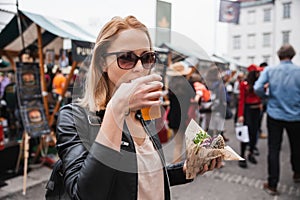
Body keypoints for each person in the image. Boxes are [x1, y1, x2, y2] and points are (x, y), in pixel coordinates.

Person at [52, 16, 222, 199]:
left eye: (147, 57)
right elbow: (84, 194)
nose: (140, 68)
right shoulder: (74, 117)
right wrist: (116, 109)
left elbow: (140, 175)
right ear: (102, 63)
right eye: (126, 58)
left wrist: (185, 169)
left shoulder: (143, 113)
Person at [254, 44, 300, 196]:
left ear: (279, 56)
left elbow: (257, 87)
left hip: (274, 114)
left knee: (274, 149)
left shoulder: (270, 70)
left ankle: (273, 184)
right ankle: (297, 173)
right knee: (297, 146)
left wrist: (266, 98)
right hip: (295, 115)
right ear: (292, 55)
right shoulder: (298, 71)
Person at [167, 61, 195, 163]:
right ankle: (188, 164)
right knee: (189, 142)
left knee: (177, 144)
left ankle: (176, 163)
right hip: (185, 116)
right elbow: (194, 97)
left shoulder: (171, 84)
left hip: (174, 116)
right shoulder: (188, 85)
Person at [237, 64, 262, 168]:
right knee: (245, 133)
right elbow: (241, 100)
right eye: (257, 72)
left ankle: (251, 152)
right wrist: (240, 114)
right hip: (248, 110)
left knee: (254, 132)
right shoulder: (244, 84)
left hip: (257, 111)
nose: (259, 74)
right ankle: (242, 156)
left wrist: (260, 103)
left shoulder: (259, 83)